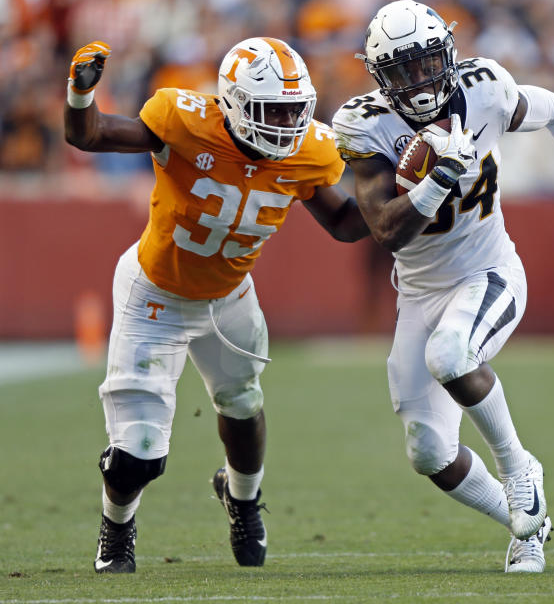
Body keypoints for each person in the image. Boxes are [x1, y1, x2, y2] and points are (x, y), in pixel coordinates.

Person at [332, 0, 554, 573]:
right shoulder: (364, 123)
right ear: (379, 78)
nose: (419, 81)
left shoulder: (485, 86)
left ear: (447, 54)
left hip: (489, 271)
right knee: (428, 453)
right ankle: (527, 527)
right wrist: (439, 178)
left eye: (426, 63)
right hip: (419, 292)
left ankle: (519, 467)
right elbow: (386, 231)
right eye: (402, 71)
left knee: (452, 354)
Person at [63, 38, 369, 573]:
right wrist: (80, 95)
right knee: (138, 453)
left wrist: (404, 191)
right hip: (154, 293)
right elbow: (88, 136)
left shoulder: (310, 151)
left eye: (294, 110)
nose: (284, 123)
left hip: (229, 297)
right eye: (271, 109)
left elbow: (345, 224)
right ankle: (116, 527)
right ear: (232, 102)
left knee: (244, 405)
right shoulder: (184, 121)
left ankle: (243, 499)